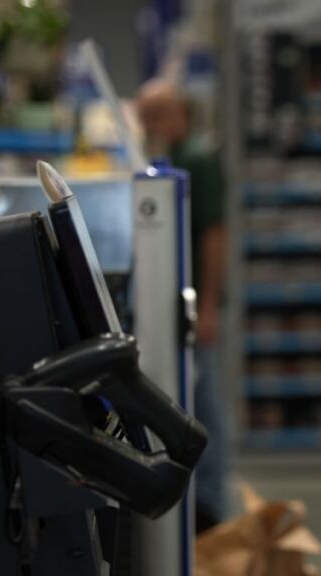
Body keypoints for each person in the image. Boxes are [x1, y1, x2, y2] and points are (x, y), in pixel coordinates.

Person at [136, 78, 230, 533]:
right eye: (144, 117)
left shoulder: (196, 158)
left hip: (197, 308)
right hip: (183, 306)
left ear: (180, 113)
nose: (149, 126)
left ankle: (211, 507)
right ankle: (205, 504)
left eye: (156, 115)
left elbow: (214, 234)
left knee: (207, 406)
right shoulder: (174, 158)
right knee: (198, 403)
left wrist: (209, 305)